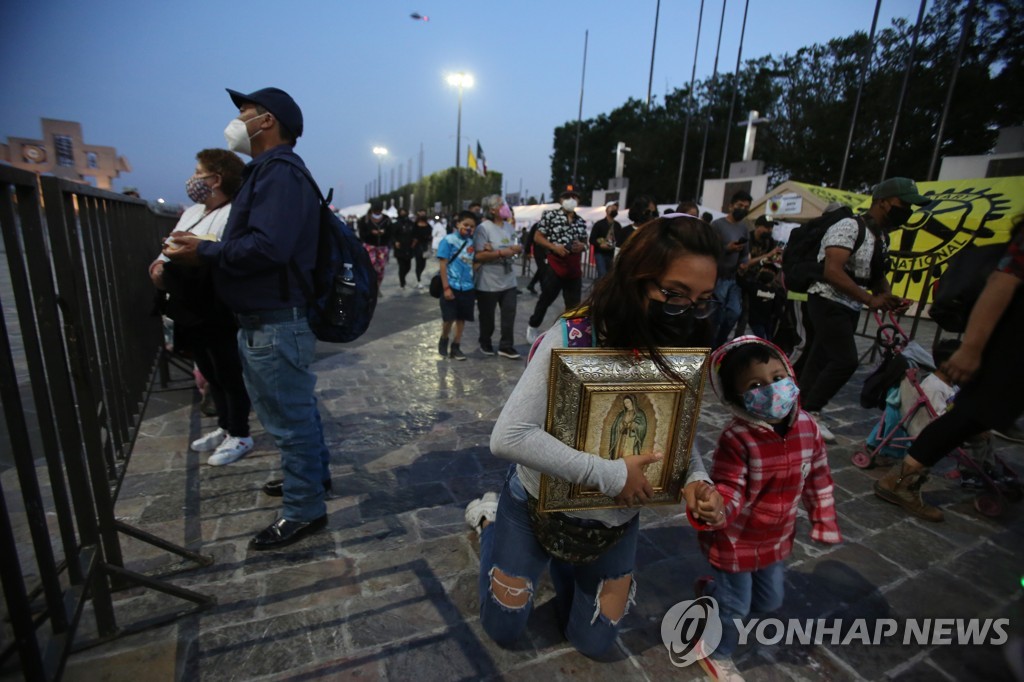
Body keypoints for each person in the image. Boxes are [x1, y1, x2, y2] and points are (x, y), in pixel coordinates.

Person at [464, 214, 727, 658]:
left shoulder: (679, 340)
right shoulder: (575, 335)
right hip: (536, 504)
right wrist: (609, 474)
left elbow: (674, 427)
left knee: (594, 640)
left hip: (615, 521)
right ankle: (490, 519)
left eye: (702, 299)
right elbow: (508, 436)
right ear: (635, 278)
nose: (687, 309)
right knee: (505, 628)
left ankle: (570, 564)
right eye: (673, 294)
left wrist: (696, 480)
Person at [163, 87, 330, 550]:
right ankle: (312, 483)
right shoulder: (270, 173)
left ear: (267, 121)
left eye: (244, 112)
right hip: (268, 317)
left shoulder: (278, 174)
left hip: (275, 319)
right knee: (295, 414)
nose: (237, 120)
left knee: (288, 422)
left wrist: (206, 251)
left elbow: (268, 247)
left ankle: (304, 510)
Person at [695, 336, 840, 680]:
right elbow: (730, 486)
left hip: (775, 539)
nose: (772, 390)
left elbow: (818, 475)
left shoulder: (808, 427)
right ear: (735, 397)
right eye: (756, 385)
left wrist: (824, 518)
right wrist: (717, 508)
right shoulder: (738, 438)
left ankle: (713, 591)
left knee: (770, 601)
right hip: (735, 540)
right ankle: (716, 651)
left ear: (790, 374)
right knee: (736, 608)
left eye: (777, 378)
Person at [875, 215, 1024, 521]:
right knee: (970, 415)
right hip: (1011, 343)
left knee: (975, 418)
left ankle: (902, 480)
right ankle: (900, 481)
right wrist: (970, 347)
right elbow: (1002, 282)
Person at [799, 178, 927, 442]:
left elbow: (877, 274)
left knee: (820, 357)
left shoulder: (882, 236)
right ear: (882, 202)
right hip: (827, 300)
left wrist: (889, 297)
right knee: (844, 360)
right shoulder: (848, 226)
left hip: (849, 304)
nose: (908, 211)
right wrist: (870, 300)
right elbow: (832, 270)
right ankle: (812, 411)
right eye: (904, 205)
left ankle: (798, 407)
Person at [151, 148, 253, 466]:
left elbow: (218, 254)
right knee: (210, 371)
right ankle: (225, 427)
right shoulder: (193, 211)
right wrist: (159, 265)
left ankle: (240, 433)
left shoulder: (234, 212)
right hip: (188, 306)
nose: (194, 178)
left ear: (216, 178)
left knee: (228, 370)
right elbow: (171, 247)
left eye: (199, 172)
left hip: (215, 305)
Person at [525, 190, 589, 343]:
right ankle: (533, 324)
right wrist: (554, 247)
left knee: (574, 304)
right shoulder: (550, 215)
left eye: (574, 197)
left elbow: (585, 242)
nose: (571, 200)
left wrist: (582, 246)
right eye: (567, 197)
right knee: (546, 298)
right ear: (561, 200)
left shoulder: (580, 221)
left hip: (573, 267)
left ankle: (571, 332)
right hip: (555, 264)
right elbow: (538, 237)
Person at [474, 195, 523, 359]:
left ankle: (506, 345)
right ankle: (485, 341)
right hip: (488, 280)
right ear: (492, 209)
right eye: (501, 205)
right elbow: (479, 255)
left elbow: (514, 245)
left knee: (509, 313)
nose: (505, 207)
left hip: (508, 278)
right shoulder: (483, 228)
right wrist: (501, 252)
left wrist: (517, 249)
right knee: (487, 316)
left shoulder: (509, 227)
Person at [710, 191, 753, 348]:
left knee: (734, 312)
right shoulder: (717, 225)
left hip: (733, 277)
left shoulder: (743, 228)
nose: (743, 209)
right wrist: (727, 248)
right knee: (717, 315)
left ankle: (720, 344)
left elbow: (744, 253)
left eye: (746, 207)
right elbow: (710, 250)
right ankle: (711, 346)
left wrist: (744, 263)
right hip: (717, 276)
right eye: (740, 205)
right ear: (730, 206)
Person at [437, 211, 478, 361]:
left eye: (472, 226)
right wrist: (446, 287)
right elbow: (443, 264)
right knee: (449, 318)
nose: (468, 229)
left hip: (467, 287)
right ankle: (444, 338)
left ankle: (456, 346)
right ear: (457, 224)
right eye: (465, 225)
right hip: (451, 285)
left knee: (462, 318)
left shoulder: (472, 243)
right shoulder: (448, 240)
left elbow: (474, 263)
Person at [358, 201, 393, 290]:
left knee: (380, 268)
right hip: (370, 245)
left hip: (382, 246)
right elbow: (362, 234)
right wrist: (371, 233)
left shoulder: (386, 219)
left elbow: (391, 232)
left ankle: (377, 287)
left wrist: (383, 233)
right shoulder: (364, 220)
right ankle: (370, 286)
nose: (377, 213)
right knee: (371, 265)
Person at [609, 394, 647, 459]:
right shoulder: (622, 414)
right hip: (621, 437)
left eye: (628, 402)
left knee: (629, 455)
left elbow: (643, 426)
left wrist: (634, 425)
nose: (626, 404)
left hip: (632, 438)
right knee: (619, 454)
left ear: (633, 402)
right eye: (625, 403)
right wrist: (620, 425)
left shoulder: (639, 413)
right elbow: (614, 426)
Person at [589, 201, 618, 279]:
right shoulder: (599, 224)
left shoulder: (618, 226)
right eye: (612, 207)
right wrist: (600, 244)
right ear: (606, 210)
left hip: (612, 254)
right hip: (600, 253)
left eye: (616, 207)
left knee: (610, 276)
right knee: (602, 275)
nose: (614, 209)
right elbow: (592, 239)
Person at [392, 207, 416, 290]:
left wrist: (414, 241)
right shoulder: (396, 224)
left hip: (409, 247)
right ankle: (402, 281)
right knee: (402, 266)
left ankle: (403, 277)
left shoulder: (410, 223)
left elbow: (414, 233)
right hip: (400, 248)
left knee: (408, 266)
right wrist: (395, 242)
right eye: (401, 212)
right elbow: (392, 235)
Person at [525, 220, 547, 295]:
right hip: (539, 251)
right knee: (543, 269)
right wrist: (527, 251)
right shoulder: (537, 225)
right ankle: (543, 287)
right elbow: (530, 238)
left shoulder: (551, 225)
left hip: (546, 251)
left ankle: (532, 284)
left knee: (542, 269)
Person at [412, 212, 433, 288]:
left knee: (423, 264)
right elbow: (414, 236)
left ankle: (419, 275)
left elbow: (430, 236)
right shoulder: (415, 226)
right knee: (418, 263)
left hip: (425, 246)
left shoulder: (428, 226)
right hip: (417, 246)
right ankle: (419, 280)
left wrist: (430, 245)